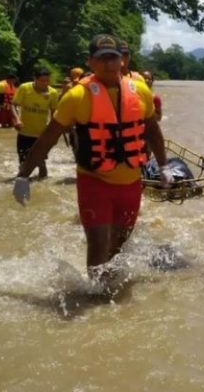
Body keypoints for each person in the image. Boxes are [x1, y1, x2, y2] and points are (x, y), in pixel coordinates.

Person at [12, 34, 174, 285]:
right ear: (91, 62)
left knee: (118, 246)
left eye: (114, 58)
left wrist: (163, 165)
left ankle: (107, 299)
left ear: (122, 61)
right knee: (98, 248)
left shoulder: (140, 91)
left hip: (131, 183)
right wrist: (24, 175)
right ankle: (96, 305)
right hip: (95, 182)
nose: (110, 64)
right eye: (103, 59)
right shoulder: (77, 96)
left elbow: (152, 130)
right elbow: (48, 137)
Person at [11, 68, 59, 178]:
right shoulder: (24, 88)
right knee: (23, 162)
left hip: (41, 134)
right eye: (42, 81)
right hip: (24, 132)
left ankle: (43, 185)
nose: (45, 83)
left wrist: (53, 131)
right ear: (35, 79)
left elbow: (54, 112)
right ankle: (23, 186)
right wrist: (17, 119)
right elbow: (13, 105)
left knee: (41, 163)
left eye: (47, 81)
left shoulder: (53, 93)